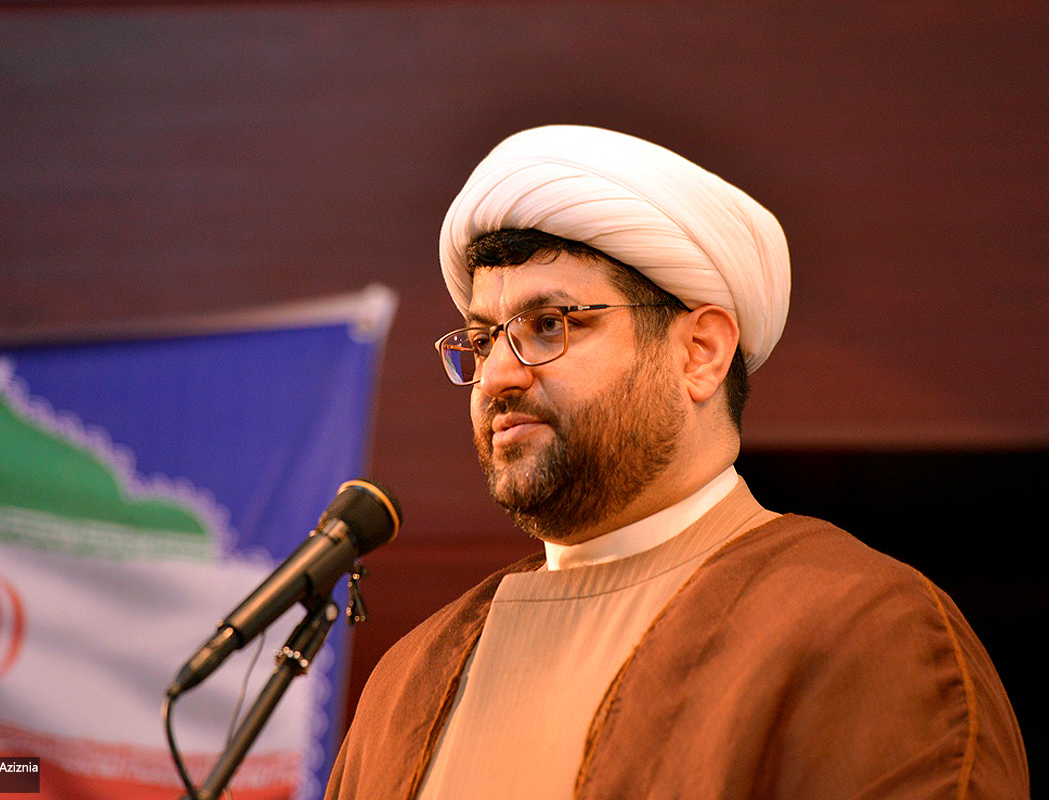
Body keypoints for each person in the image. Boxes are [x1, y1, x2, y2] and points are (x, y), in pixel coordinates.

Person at [325, 125, 1028, 799]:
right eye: (483, 340)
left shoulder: (863, 627)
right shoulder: (408, 680)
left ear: (700, 353)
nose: (499, 376)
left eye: (550, 325)